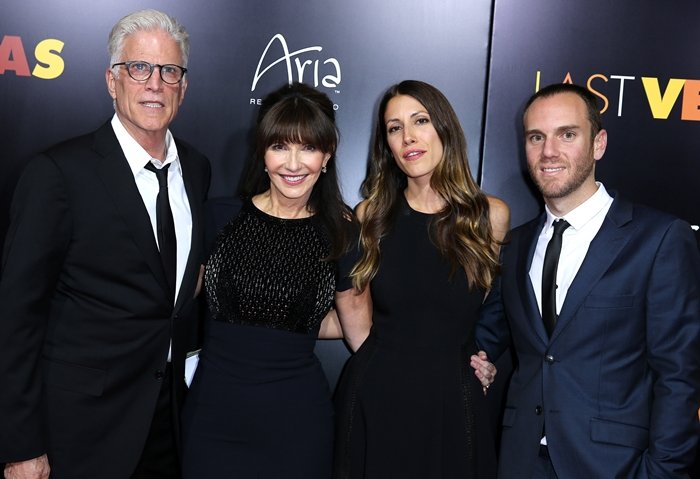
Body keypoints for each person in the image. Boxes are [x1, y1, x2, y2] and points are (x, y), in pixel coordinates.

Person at [0, 9, 210, 479]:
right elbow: (15, 318)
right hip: (79, 432)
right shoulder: (58, 174)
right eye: (139, 68)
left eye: (169, 71)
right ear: (112, 81)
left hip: (167, 425)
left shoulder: (196, 169)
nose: (155, 83)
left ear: (184, 86)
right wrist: (21, 446)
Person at [476, 83, 700, 478]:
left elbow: (679, 375)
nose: (549, 151)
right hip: (519, 462)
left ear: (598, 144)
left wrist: (661, 472)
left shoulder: (659, 239)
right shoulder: (514, 246)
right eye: (536, 137)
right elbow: (486, 338)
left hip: (614, 467)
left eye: (567, 134)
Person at [180, 82, 372, 479]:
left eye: (309, 147)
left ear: (327, 155)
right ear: (263, 153)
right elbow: (179, 300)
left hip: (298, 425)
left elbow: (358, 333)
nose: (294, 163)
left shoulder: (341, 234)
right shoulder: (219, 217)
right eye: (280, 146)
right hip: (212, 419)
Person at [333, 80, 509, 479]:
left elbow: (496, 307)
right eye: (394, 128)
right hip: (376, 397)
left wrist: (483, 359)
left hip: (453, 398)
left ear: (444, 128)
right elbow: (355, 306)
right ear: (387, 145)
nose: (408, 137)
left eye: (420, 121)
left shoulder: (489, 217)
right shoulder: (370, 217)